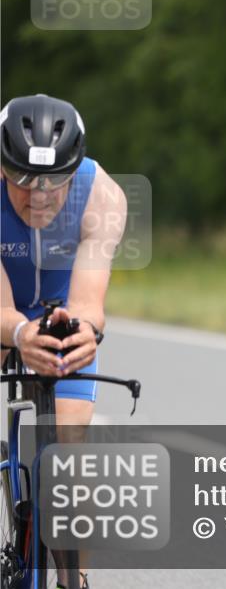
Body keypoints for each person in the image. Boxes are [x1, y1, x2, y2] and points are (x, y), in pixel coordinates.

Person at [0, 94, 128, 589]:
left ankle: (73, 583)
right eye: (23, 182)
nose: (39, 196)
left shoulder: (103, 196)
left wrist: (83, 335)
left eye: (54, 182)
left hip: (60, 311)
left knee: (69, 452)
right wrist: (16, 334)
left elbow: (89, 303)